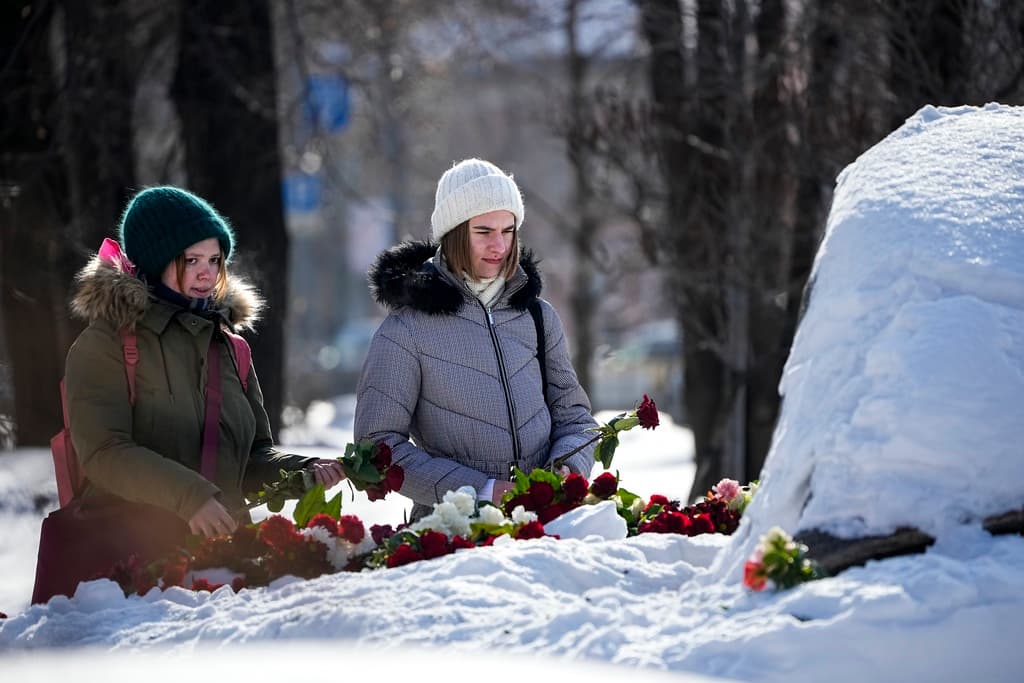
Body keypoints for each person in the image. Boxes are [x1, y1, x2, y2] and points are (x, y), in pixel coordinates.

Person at [64, 185, 345, 538]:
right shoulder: (105, 345)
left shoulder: (230, 347)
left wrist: (304, 471)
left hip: (224, 558)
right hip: (135, 563)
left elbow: (251, 458)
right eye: (191, 260)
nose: (206, 274)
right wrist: (190, 498)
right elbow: (104, 453)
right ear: (155, 261)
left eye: (214, 260)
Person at [354, 158, 598, 521]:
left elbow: (575, 418)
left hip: (545, 525)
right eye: (483, 231)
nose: (499, 245)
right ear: (453, 233)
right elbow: (377, 446)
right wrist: (480, 490)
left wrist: (565, 471)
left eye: (508, 230)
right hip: (452, 533)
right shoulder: (405, 332)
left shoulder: (538, 316)